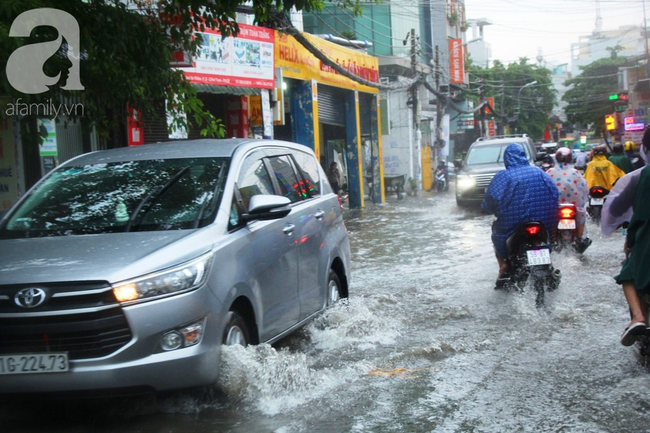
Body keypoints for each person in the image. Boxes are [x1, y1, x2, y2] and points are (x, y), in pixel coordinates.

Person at [482, 143, 559, 284]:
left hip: (513, 221)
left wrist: (489, 209)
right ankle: (550, 265)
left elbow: (490, 201)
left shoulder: (503, 176)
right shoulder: (540, 172)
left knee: (496, 234)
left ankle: (504, 266)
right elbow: (555, 194)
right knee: (547, 238)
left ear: (507, 159)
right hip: (544, 219)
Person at [601, 127, 650, 346]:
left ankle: (638, 317)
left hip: (645, 242)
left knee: (627, 273)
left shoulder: (642, 176)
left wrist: (629, 237)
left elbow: (622, 210)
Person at [545, 147, 591, 250]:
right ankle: (580, 238)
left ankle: (550, 239)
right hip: (574, 206)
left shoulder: (549, 172)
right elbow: (585, 189)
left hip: (555, 206)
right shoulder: (575, 172)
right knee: (581, 215)